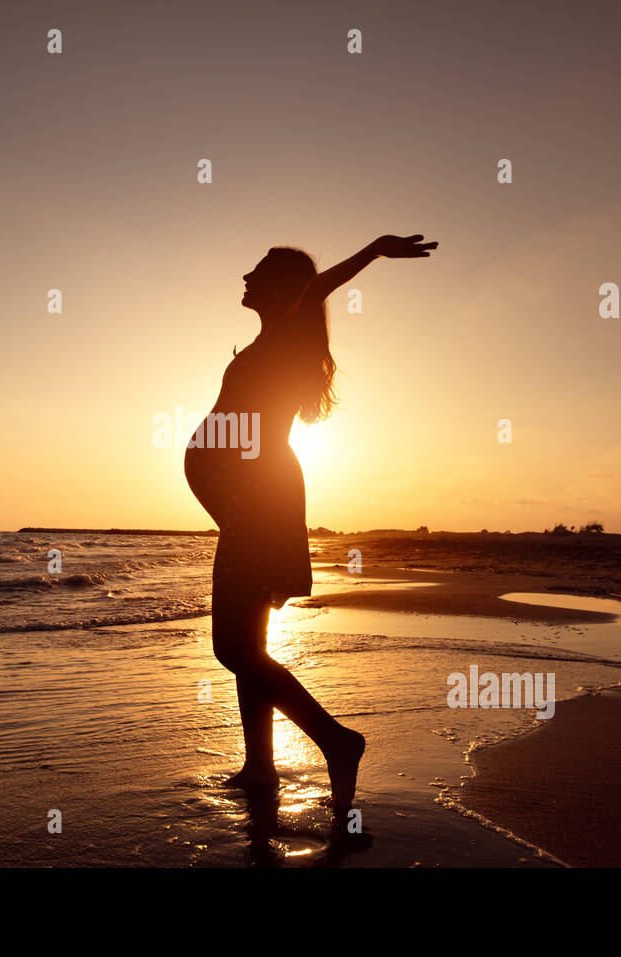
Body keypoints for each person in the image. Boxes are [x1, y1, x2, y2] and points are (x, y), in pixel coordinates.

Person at [184, 234, 438, 808]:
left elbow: (318, 285)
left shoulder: (285, 330)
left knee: (233, 649)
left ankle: (337, 741)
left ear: (284, 290)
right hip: (252, 495)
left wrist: (374, 249)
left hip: (260, 495)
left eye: (258, 270)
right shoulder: (270, 338)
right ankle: (260, 766)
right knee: (249, 641)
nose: (245, 276)